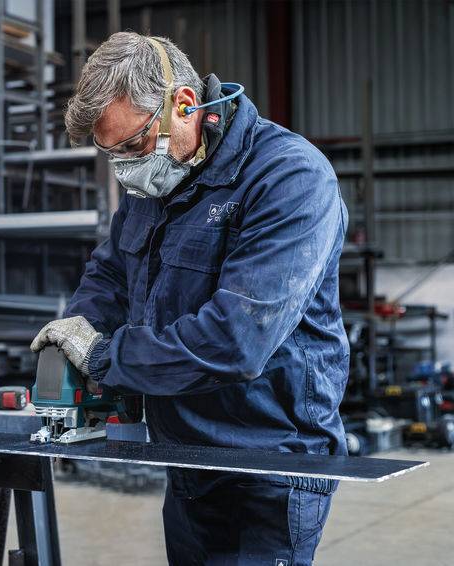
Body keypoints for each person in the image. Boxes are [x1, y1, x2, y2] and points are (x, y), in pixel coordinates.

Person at [30, 32, 349, 566]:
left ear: (184, 104)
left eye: (131, 147)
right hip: (186, 457)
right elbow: (110, 275)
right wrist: (75, 332)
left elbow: (236, 340)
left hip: (270, 466)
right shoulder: (155, 186)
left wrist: (105, 357)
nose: (125, 169)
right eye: (110, 154)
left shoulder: (288, 176)